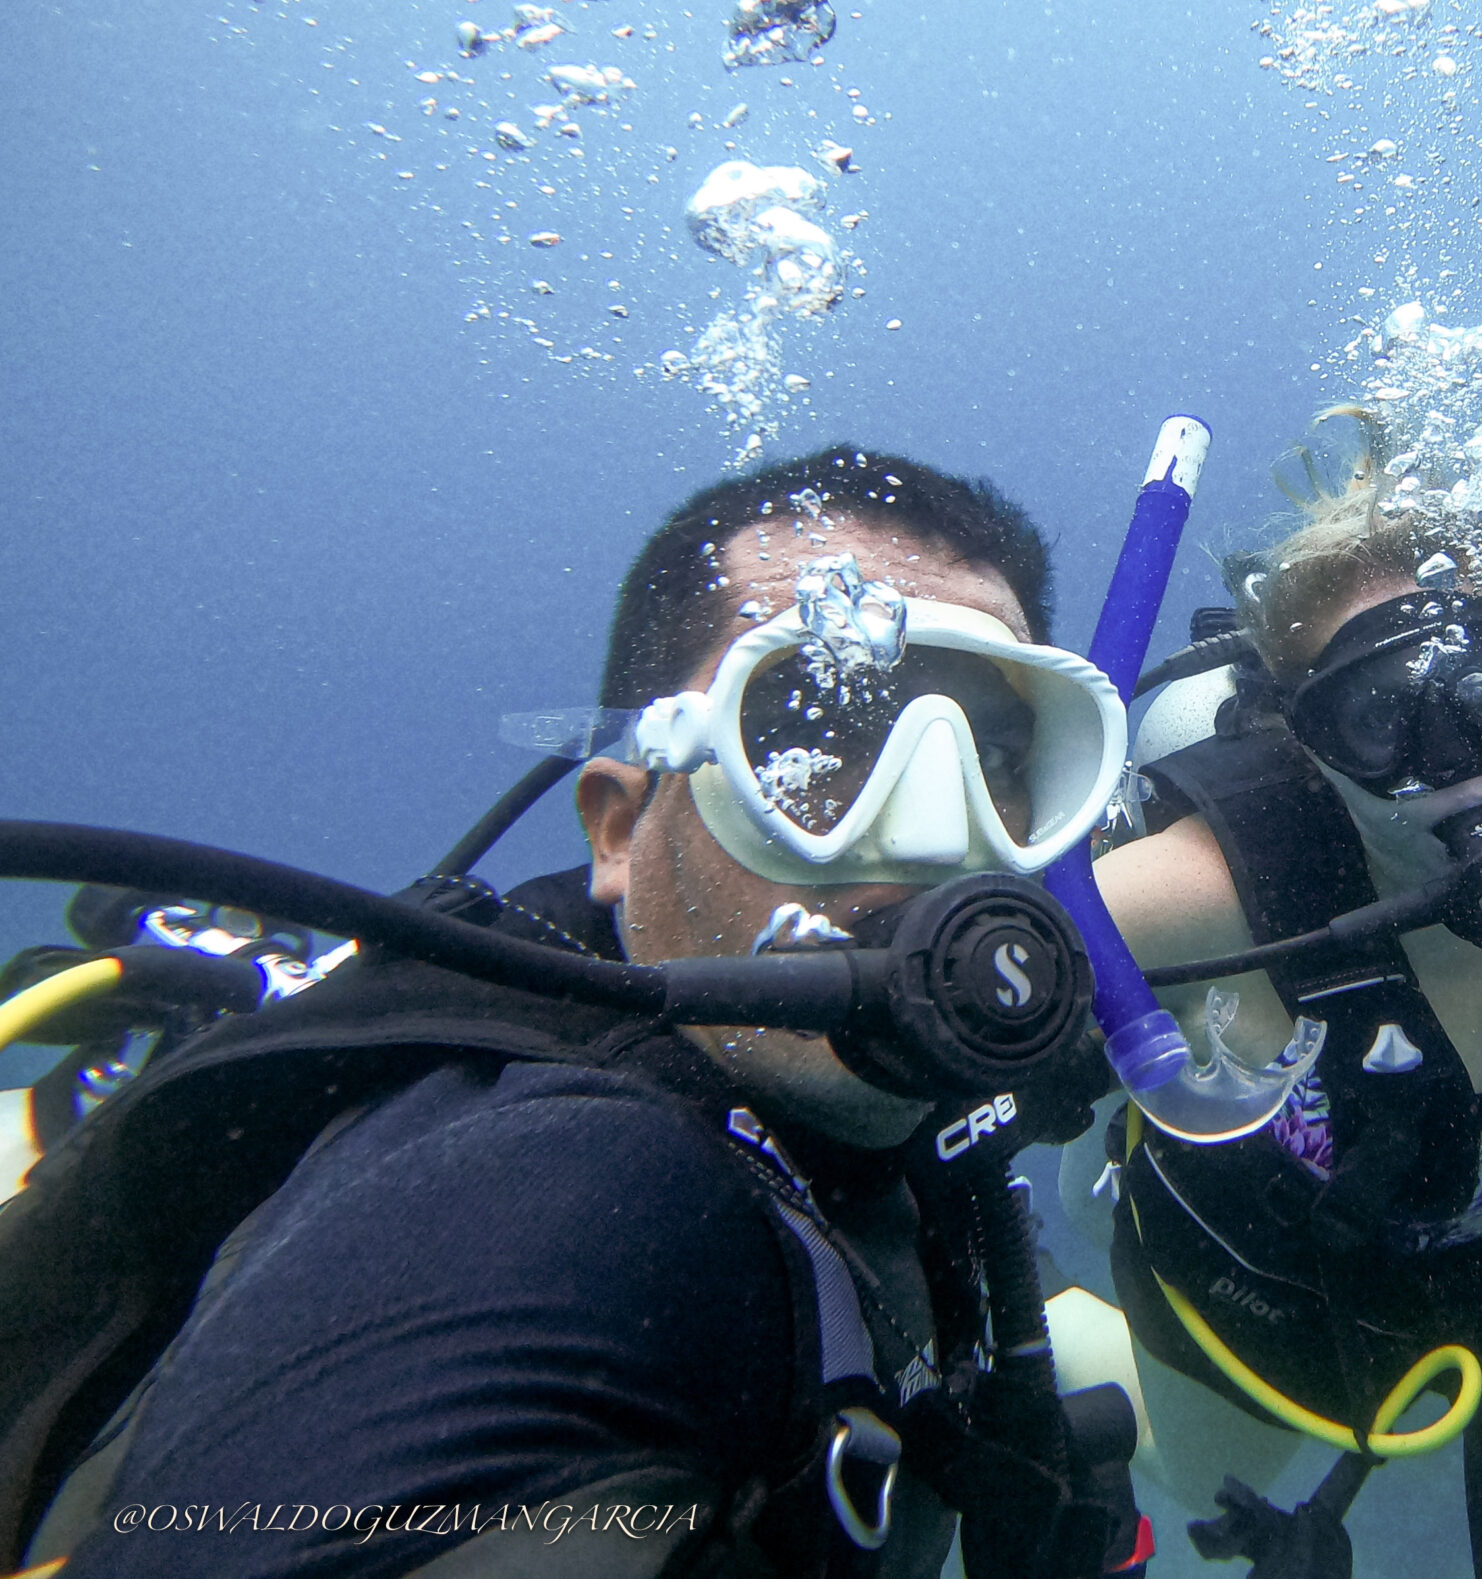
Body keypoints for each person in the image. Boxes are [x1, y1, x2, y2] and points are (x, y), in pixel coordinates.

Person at [0, 446, 1148, 1579]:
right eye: (808, 736)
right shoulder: (578, 1186)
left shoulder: (892, 1117)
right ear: (615, 825)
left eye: (997, 754)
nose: (938, 835)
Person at [1057, 416, 1482, 1579]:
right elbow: (954, 957)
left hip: (1474, 1300)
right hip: (1251, 1311)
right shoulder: (1220, 883)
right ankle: (1070, 1267)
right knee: (1189, 1468)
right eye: (1377, 719)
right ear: (1306, 744)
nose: (1459, 758)